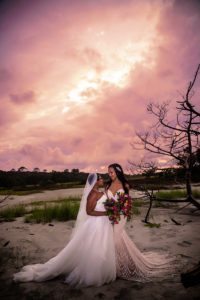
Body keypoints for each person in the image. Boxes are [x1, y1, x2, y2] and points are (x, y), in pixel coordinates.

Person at [13, 173, 116, 287]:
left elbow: (103, 204)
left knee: (102, 247)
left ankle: (101, 270)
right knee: (95, 247)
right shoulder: (92, 194)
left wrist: (110, 207)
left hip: (103, 223)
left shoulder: (100, 193)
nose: (102, 180)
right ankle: (91, 274)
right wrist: (106, 213)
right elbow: (89, 212)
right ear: (96, 181)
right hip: (96, 224)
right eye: (101, 179)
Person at [106, 163, 178, 282]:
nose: (109, 175)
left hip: (121, 216)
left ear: (118, 172)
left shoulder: (125, 185)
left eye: (111, 172)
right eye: (108, 172)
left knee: (115, 238)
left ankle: (120, 267)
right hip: (109, 216)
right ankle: (116, 266)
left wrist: (118, 213)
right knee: (115, 240)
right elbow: (107, 200)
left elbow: (126, 203)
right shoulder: (108, 184)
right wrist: (109, 210)